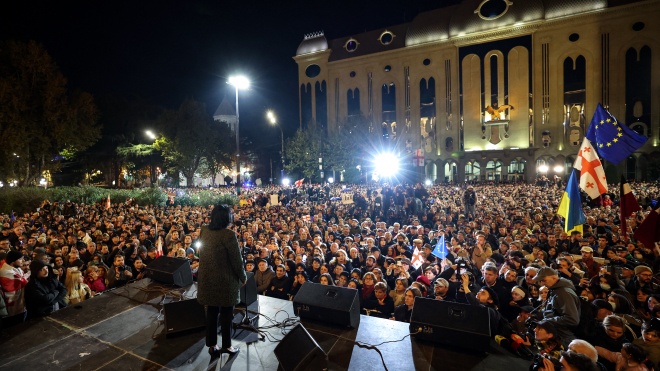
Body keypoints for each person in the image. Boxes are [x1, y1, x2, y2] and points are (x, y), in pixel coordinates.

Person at [197, 204, 247, 358]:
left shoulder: (204, 230)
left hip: (207, 279)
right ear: (227, 218)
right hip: (225, 280)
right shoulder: (228, 235)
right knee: (226, 313)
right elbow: (236, 261)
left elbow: (202, 251)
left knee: (211, 312)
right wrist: (243, 276)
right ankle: (227, 346)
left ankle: (212, 345)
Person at [532, 267, 581, 347]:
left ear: (554, 278)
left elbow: (572, 319)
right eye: (541, 281)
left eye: (544, 280)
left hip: (563, 337)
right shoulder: (556, 290)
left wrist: (547, 321)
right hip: (558, 333)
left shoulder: (563, 293)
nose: (542, 284)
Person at [0, 250, 29, 326]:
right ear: (13, 261)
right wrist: (29, 273)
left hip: (21, 304)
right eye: (20, 259)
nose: (23, 261)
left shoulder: (17, 268)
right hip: (13, 307)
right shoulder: (5, 272)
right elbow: (22, 282)